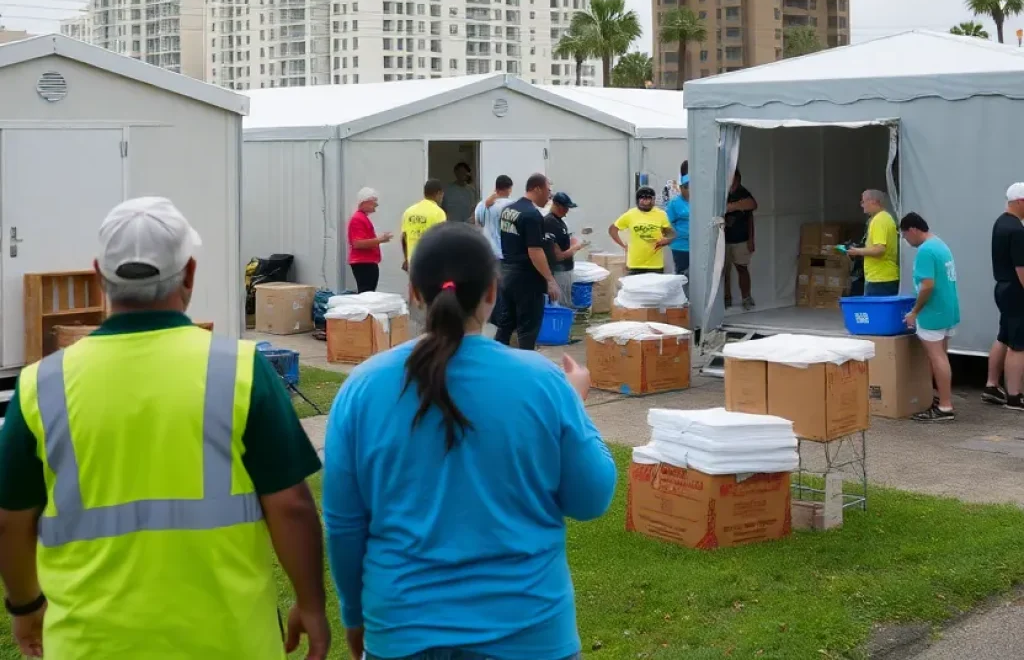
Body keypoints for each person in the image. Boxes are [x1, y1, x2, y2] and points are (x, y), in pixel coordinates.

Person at [0, 197, 328, 660]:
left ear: (100, 275)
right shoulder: (241, 372)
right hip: (228, 642)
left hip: (90, 645)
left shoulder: (40, 386)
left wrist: (25, 604)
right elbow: (291, 506)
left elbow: (10, 521)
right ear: (189, 274)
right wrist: (311, 603)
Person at [322, 223, 616, 660]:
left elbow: (345, 525)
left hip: (404, 633)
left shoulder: (362, 389)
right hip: (529, 633)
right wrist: (574, 405)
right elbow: (591, 498)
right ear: (493, 293)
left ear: (413, 293)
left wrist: (354, 616)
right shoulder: (542, 383)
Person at [899, 212, 960, 422]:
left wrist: (914, 312)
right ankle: (940, 398)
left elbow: (927, 285)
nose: (907, 241)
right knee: (942, 355)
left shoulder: (925, 251)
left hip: (932, 311)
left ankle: (944, 406)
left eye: (906, 236)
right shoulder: (940, 244)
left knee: (936, 357)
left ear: (913, 230)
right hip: (948, 308)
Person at [497, 173, 561, 350]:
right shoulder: (532, 215)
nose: (550, 196)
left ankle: (495, 364)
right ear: (537, 188)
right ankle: (527, 366)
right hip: (526, 279)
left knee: (505, 325)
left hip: (507, 274)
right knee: (528, 329)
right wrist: (550, 280)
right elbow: (535, 250)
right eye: (548, 191)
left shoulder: (508, 210)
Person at [985, 183, 1024, 410]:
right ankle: (1014, 396)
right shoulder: (1018, 231)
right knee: (1018, 344)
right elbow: (1022, 271)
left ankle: (991, 386)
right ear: (1020, 202)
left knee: (1004, 336)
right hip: (1016, 291)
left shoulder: (1001, 223)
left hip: (1002, 287)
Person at [401, 180, 448, 335]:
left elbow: (404, 237)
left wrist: (406, 258)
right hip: (431, 262)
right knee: (432, 296)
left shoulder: (409, 211)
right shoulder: (438, 212)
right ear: (439, 193)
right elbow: (441, 238)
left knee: (415, 297)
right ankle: (430, 331)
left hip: (413, 260)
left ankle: (414, 332)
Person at [610, 187, 675, 274]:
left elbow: (670, 233)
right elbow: (612, 230)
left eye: (649, 199)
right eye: (643, 199)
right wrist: (623, 245)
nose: (646, 202)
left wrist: (667, 240)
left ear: (654, 200)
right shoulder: (630, 214)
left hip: (655, 265)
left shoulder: (661, 214)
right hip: (635, 264)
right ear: (637, 200)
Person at [846, 189, 899, 296]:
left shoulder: (879, 220)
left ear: (873, 201)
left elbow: (880, 249)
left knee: (876, 312)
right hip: (884, 276)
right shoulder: (886, 218)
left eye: (863, 201)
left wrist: (857, 251)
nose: (862, 205)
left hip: (880, 278)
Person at [544, 191, 588, 306]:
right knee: (560, 304)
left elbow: (564, 242)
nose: (567, 212)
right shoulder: (550, 223)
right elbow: (558, 256)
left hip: (566, 269)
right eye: (565, 208)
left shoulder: (560, 222)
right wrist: (576, 248)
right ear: (557, 206)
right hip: (559, 270)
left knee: (566, 302)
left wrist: (573, 241)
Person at [723, 169, 757, 309]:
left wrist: (751, 239)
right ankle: (726, 298)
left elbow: (752, 206)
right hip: (723, 240)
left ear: (739, 179)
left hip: (741, 239)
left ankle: (746, 298)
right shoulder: (721, 193)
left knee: (742, 268)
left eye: (735, 179)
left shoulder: (743, 192)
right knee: (724, 271)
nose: (733, 182)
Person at [348, 188, 392, 293]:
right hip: (364, 262)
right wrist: (379, 240)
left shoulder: (361, 218)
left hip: (366, 261)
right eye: (373, 202)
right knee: (366, 293)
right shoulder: (358, 219)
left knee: (368, 292)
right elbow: (357, 243)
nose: (376, 205)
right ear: (365, 202)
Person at [474, 175, 515, 260]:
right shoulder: (511, 205)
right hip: (503, 252)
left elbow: (477, 225)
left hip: (485, 251)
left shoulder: (481, 205)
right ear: (509, 189)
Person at [666, 173, 691, 277]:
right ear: (681, 188)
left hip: (699, 246)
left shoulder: (701, 202)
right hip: (680, 246)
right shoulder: (674, 203)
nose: (689, 190)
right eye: (686, 187)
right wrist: (670, 240)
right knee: (682, 275)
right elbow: (667, 224)